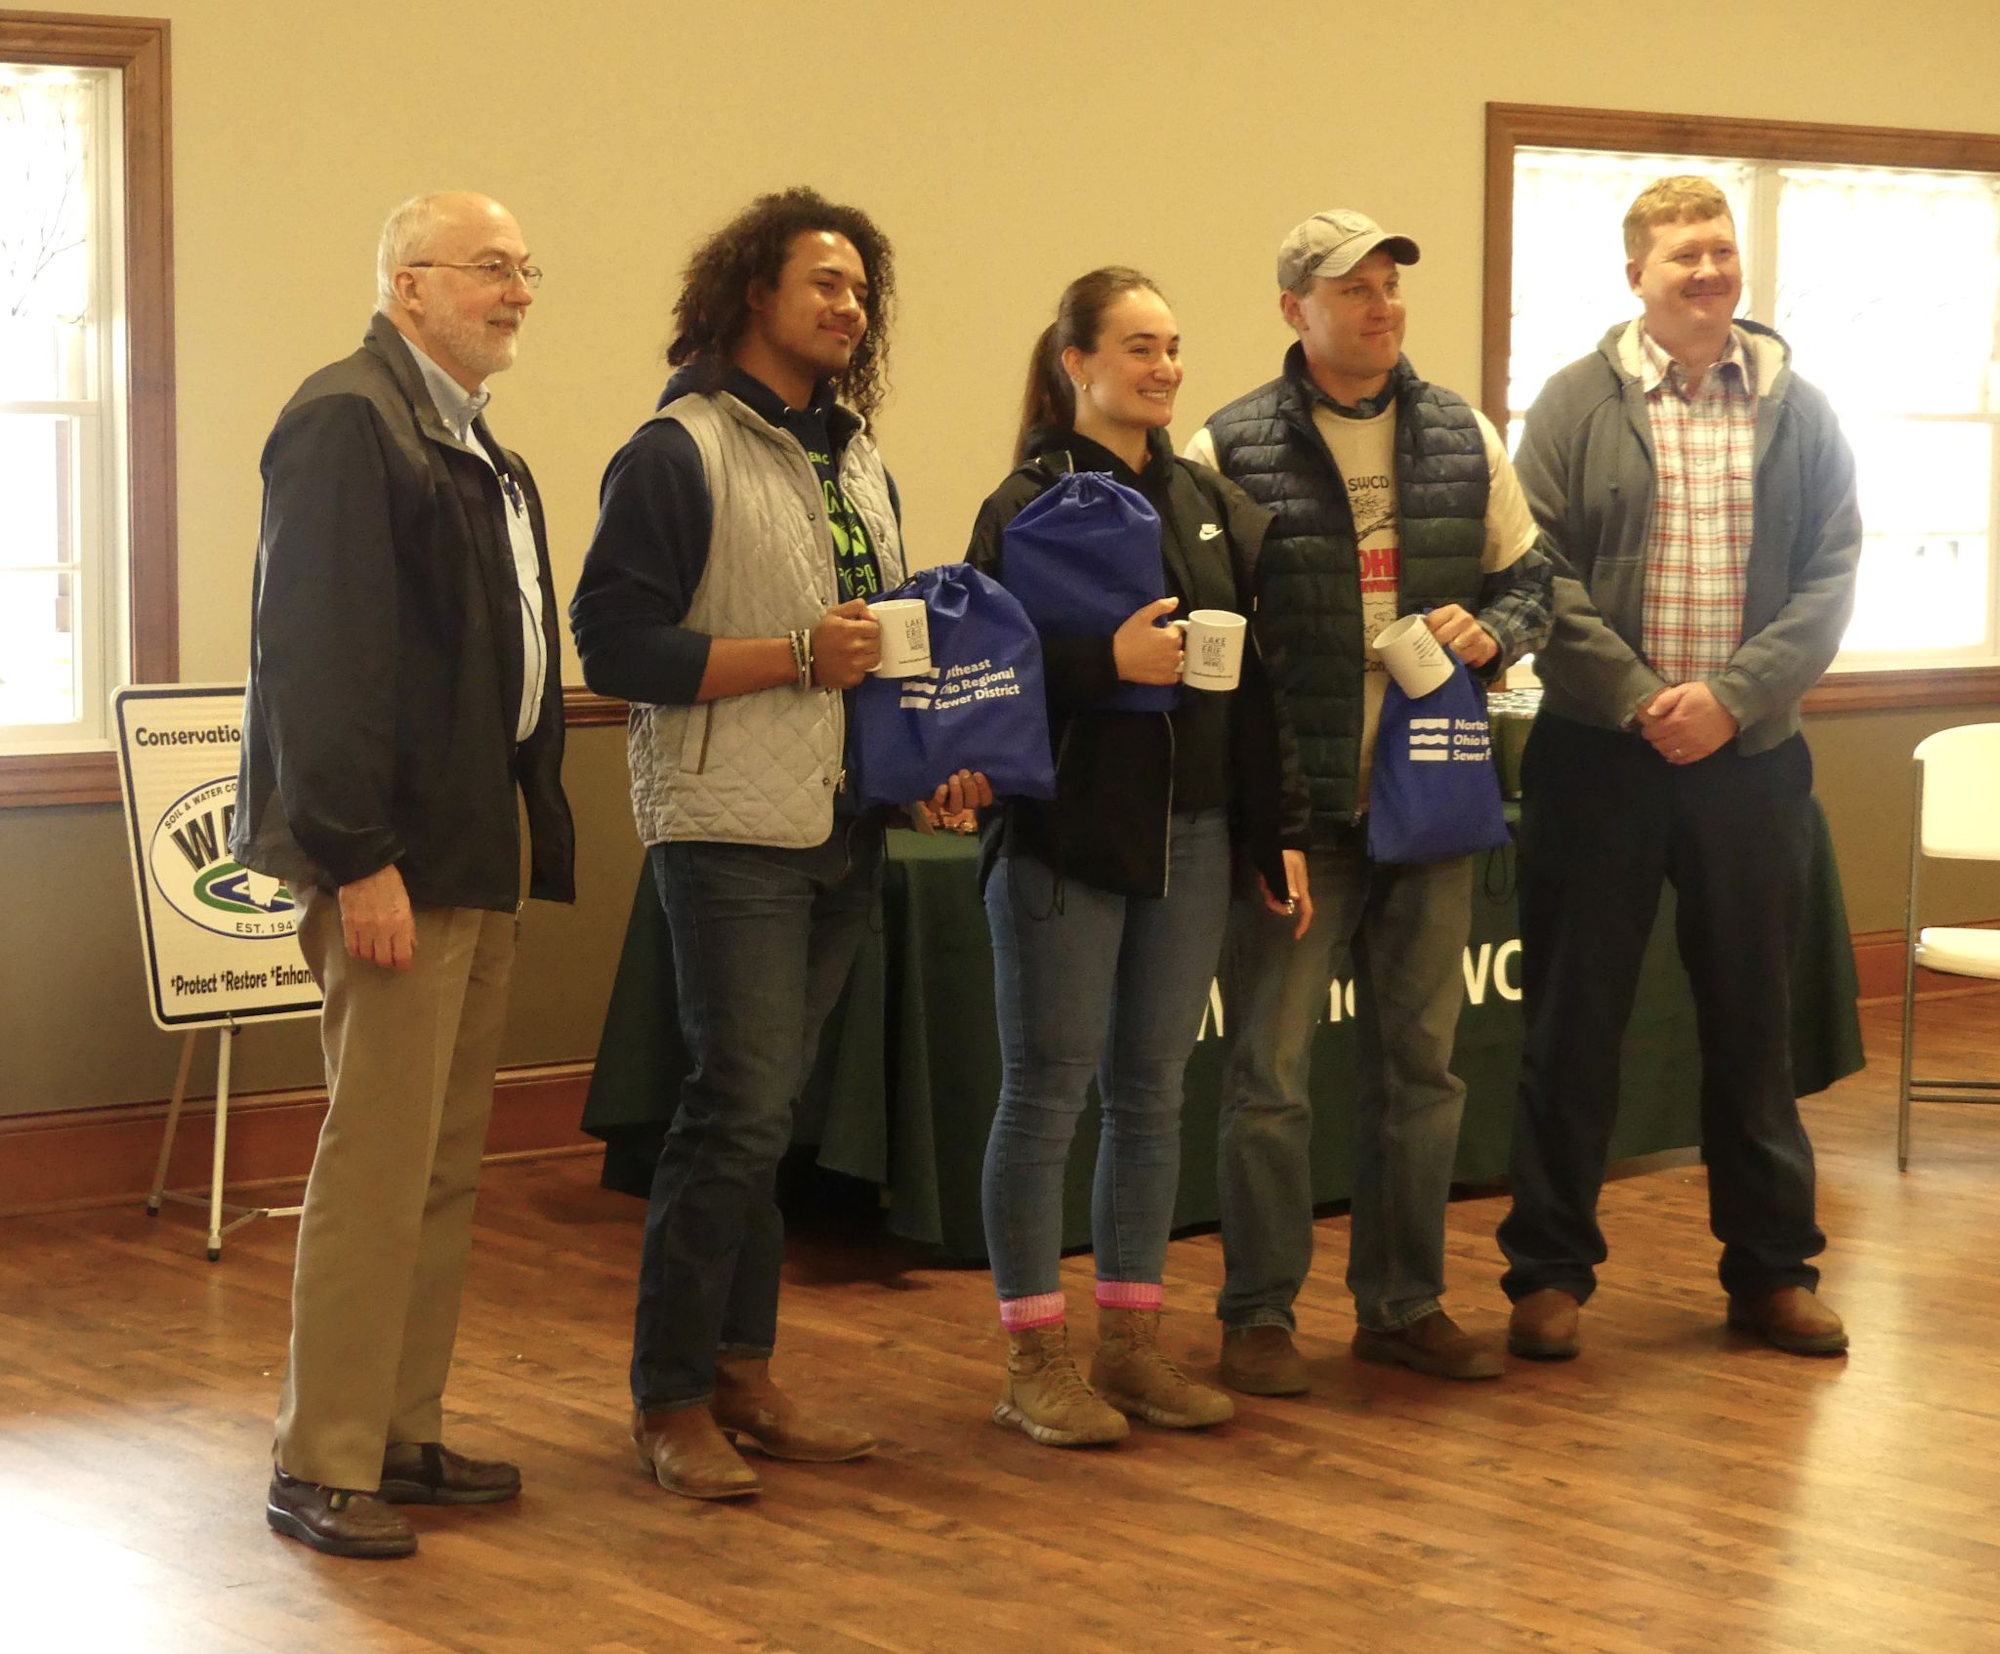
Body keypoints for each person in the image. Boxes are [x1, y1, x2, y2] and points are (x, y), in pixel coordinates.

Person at [571, 187, 989, 1501]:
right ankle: (671, 1395)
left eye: (862, 289)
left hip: (846, 818)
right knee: (735, 1106)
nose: (847, 306)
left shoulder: (858, 454)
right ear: (754, 291)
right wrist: (797, 656)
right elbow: (617, 646)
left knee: (773, 1117)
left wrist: (920, 770)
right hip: (726, 827)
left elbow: (882, 646)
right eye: (823, 282)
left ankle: (744, 1372)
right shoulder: (677, 450)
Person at [231, 191, 574, 1558]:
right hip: (392, 857)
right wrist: (355, 855)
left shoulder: (474, 444)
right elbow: (314, 659)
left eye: (524, 269)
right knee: (376, 1163)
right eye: (492, 267)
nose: (518, 291)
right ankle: (323, 1456)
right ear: (407, 283)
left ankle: (401, 1430)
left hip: (474, 841)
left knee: (438, 1163)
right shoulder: (347, 420)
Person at [1189, 209, 1552, 1394]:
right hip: (1299, 817)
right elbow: (1201, 626)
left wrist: (1488, 633)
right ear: (1294, 309)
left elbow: (1529, 580)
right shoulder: (1225, 446)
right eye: (1352, 289)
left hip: (1429, 799)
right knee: (1268, 1076)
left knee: (1422, 1068)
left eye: (1391, 285)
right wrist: (1254, 810)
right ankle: (1255, 1314)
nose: (1380, 306)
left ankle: (1400, 1304)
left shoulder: (1459, 432)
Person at [1498, 176, 1860, 1361]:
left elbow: (1827, 579)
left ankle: (1768, 1274)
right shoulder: (1570, 403)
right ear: (1634, 275)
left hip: (1749, 764)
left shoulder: (1797, 409)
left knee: (1751, 1025)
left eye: (1720, 251)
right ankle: (1547, 1276)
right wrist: (1645, 699)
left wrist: (1730, 700)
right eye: (1681, 256)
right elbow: (1531, 571)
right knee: (1570, 1020)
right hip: (1598, 760)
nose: (1707, 272)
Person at [964, 267, 1312, 1448]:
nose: (1162, 367)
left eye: (1172, 348)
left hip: (1200, 832)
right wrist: (1103, 665)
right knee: (1048, 1091)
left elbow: (1253, 689)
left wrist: (1274, 834)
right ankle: (1034, 1359)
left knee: (1152, 1093)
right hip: (1067, 834)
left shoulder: (1208, 501)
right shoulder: (1023, 503)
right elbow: (985, 689)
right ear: (1075, 361)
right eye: (1136, 347)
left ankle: (1130, 1346)